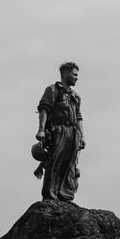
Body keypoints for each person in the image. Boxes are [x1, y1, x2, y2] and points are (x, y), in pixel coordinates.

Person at [35, 61, 86, 202]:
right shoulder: (52, 90)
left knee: (70, 164)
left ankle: (66, 196)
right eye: (74, 75)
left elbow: (79, 118)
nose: (76, 78)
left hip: (73, 133)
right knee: (55, 161)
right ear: (66, 73)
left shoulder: (76, 97)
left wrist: (82, 137)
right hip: (58, 130)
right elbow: (44, 109)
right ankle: (50, 196)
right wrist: (41, 130)